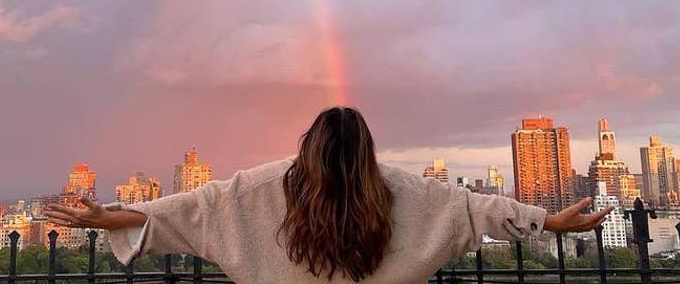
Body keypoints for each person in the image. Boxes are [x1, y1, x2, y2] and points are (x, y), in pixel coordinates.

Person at [45, 106, 610, 284]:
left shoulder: (263, 188)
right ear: (367, 150)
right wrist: (549, 222)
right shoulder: (401, 189)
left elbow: (192, 209)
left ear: (308, 146)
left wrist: (106, 218)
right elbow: (471, 208)